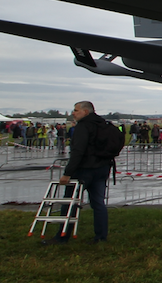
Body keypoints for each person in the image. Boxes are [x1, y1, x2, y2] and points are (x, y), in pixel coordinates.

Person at [43, 101, 117, 245]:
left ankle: (62, 236)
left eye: (76, 110)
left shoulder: (83, 126)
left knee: (69, 202)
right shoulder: (103, 125)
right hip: (102, 168)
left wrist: (67, 173)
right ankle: (101, 236)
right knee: (98, 204)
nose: (73, 113)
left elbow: (78, 151)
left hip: (84, 169)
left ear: (85, 112)